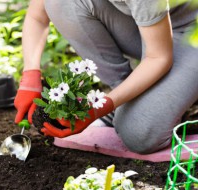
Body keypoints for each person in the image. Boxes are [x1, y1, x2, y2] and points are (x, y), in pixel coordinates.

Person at [13, 0, 198, 154]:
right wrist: (30, 75)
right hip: (150, 29)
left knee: (138, 135)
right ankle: (127, 100)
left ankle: (141, 105)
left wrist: (99, 109)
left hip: (191, 33)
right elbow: (37, 16)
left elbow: (159, 58)